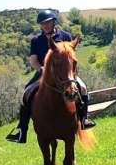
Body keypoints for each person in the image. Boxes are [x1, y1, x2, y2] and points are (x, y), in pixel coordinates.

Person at [5, 9, 93, 144]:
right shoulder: (36, 40)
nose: (46, 26)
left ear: (53, 22)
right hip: (43, 73)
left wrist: (72, 72)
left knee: (83, 88)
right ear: (40, 25)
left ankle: (84, 119)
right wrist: (40, 68)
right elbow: (33, 59)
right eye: (43, 24)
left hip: (65, 74)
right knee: (26, 94)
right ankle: (22, 130)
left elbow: (72, 56)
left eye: (48, 23)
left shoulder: (65, 35)